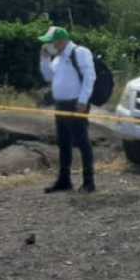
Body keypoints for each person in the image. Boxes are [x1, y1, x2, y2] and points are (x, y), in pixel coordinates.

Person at [38, 26, 96, 193]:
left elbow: (89, 77)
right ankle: (64, 180)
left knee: (83, 143)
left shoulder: (80, 52)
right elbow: (48, 76)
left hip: (76, 104)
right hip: (61, 105)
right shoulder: (58, 58)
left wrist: (83, 101)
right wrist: (44, 59)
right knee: (63, 143)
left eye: (50, 42)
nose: (48, 45)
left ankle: (89, 182)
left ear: (61, 40)